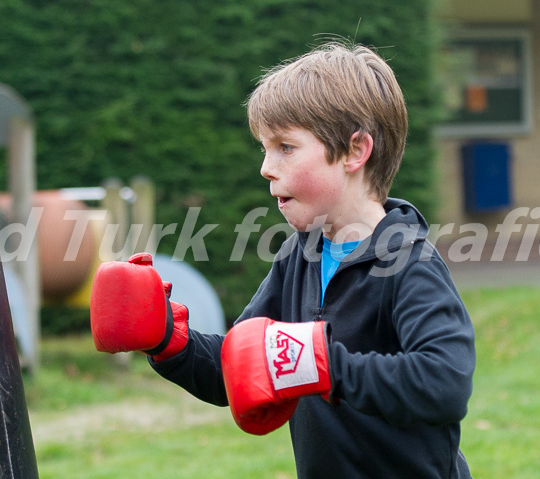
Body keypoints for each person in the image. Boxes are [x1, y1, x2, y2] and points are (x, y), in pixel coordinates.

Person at [90, 41, 476, 479]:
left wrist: (323, 363)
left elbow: (445, 383)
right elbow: (239, 367)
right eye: (264, 149)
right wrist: (170, 342)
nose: (266, 168)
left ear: (354, 151)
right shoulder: (301, 254)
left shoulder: (410, 262)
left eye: (285, 147)